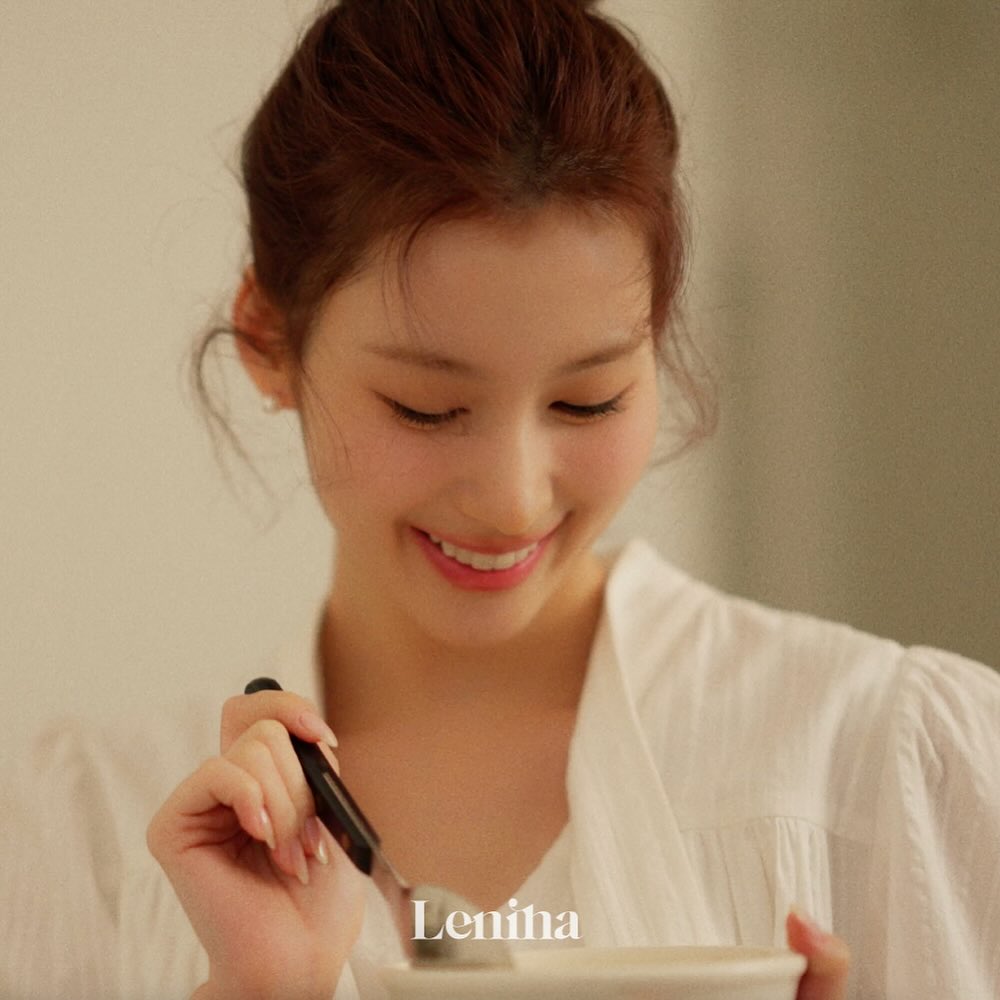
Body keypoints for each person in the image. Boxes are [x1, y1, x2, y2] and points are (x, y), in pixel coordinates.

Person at [4, 1, 997, 998]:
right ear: (269, 340)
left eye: (587, 399)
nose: (514, 501)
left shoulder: (886, 762)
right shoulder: (84, 834)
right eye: (427, 408)